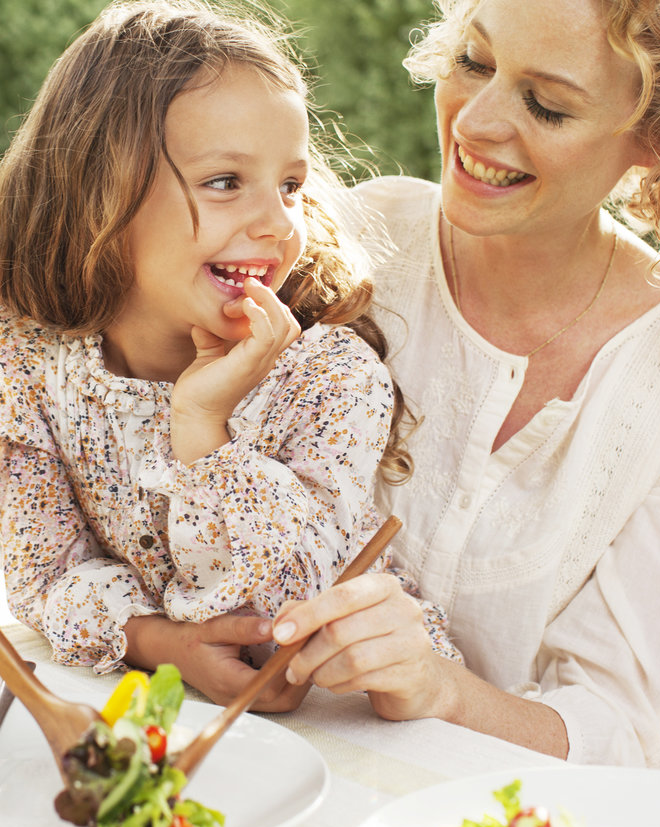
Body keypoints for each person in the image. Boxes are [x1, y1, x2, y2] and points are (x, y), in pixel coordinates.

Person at [269, 0, 660, 770]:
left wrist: (443, 689)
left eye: (547, 104)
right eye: (474, 61)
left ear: (659, 141)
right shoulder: (357, 242)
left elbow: (621, 730)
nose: (475, 122)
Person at [0, 0, 461, 708]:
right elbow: (44, 576)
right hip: (188, 723)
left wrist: (204, 429)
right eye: (225, 182)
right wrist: (162, 644)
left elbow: (279, 618)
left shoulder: (328, 378)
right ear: (100, 193)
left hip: (357, 718)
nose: (280, 223)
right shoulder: (30, 365)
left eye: (291, 186)